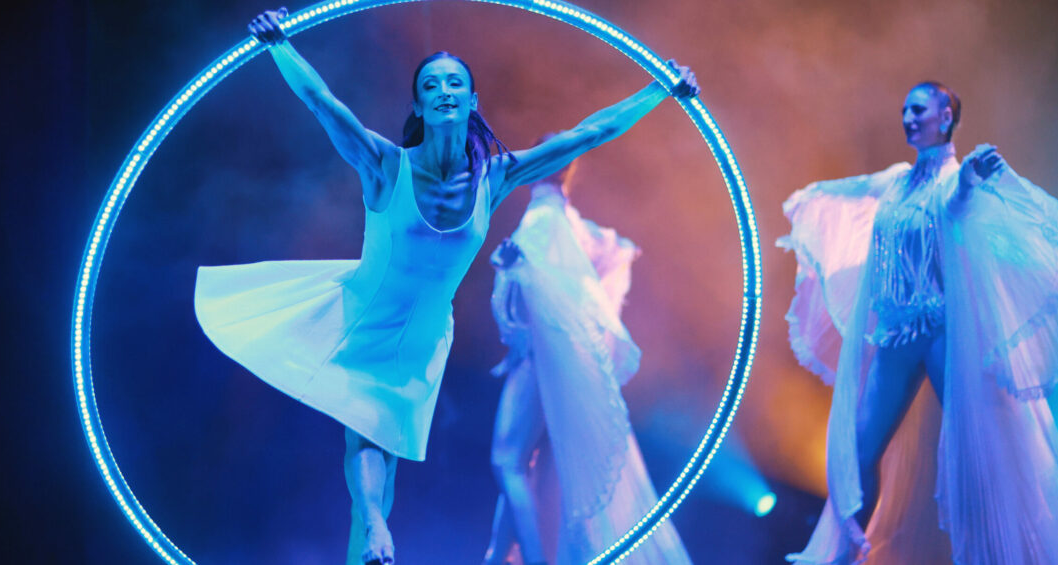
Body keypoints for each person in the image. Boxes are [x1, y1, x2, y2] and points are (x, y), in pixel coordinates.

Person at [193, 8, 699, 565]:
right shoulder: (385, 164)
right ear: (419, 106)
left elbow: (591, 132)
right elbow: (323, 103)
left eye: (454, 82)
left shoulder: (495, 176)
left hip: (428, 334)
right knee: (365, 432)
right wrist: (280, 45)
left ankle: (370, 540)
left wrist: (661, 89)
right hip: (365, 313)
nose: (443, 91)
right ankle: (377, 531)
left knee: (383, 457)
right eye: (430, 85)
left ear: (472, 101)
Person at [780, 81, 1058, 564]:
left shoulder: (957, 179)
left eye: (919, 109)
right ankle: (844, 551)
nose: (908, 118)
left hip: (943, 333)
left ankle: (1010, 549)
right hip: (896, 336)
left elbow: (956, 212)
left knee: (981, 447)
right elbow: (850, 194)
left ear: (945, 115)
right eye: (904, 109)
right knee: (860, 448)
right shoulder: (895, 180)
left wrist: (969, 184)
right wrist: (807, 199)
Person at [482, 148, 692, 565]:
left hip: (541, 359)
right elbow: (595, 267)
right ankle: (497, 555)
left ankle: (529, 560)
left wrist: (513, 267)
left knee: (508, 460)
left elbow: (535, 292)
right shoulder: (571, 223)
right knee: (528, 464)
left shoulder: (543, 218)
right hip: (558, 360)